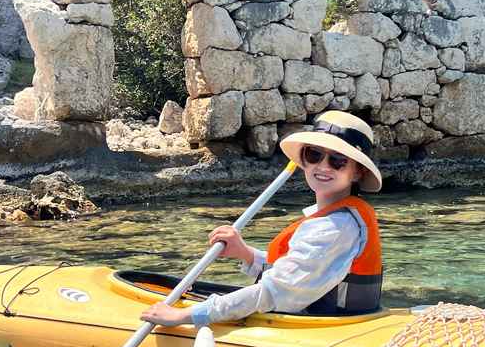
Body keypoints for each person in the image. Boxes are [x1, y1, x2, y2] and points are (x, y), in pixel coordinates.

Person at [138, 111, 384, 328]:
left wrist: (187, 315)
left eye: (338, 160)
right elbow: (298, 276)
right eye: (315, 154)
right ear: (304, 160)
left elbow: (273, 292)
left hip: (324, 330)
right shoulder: (336, 219)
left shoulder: (334, 227)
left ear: (357, 172)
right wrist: (245, 254)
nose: (323, 166)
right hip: (328, 320)